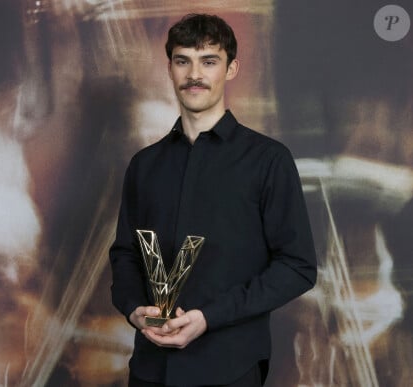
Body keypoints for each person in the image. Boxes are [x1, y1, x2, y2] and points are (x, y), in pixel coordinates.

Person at [109, 13, 317, 387]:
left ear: (231, 68)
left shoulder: (269, 160)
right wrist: (134, 311)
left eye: (209, 61)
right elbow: (125, 254)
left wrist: (210, 316)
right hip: (149, 370)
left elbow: (297, 266)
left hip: (229, 369)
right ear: (170, 68)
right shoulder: (144, 165)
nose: (194, 74)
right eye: (182, 60)